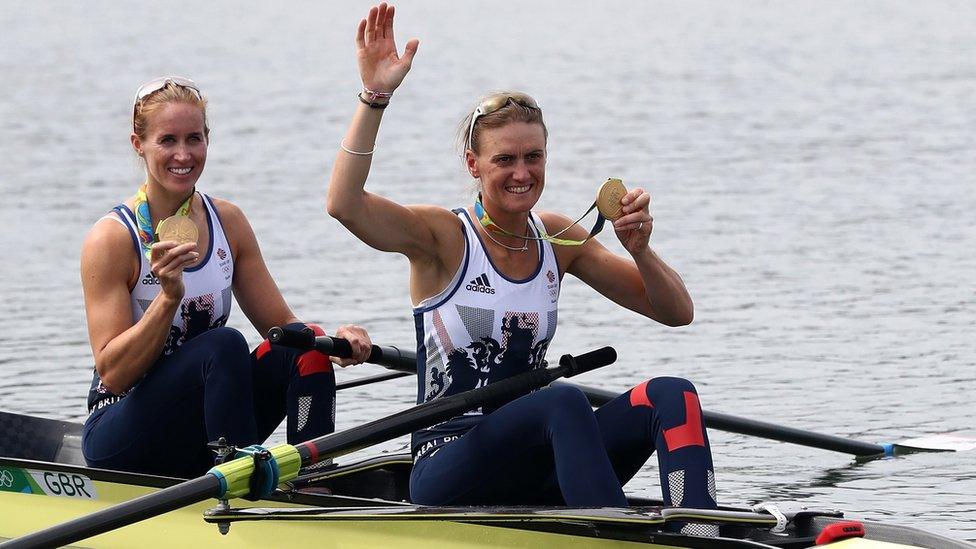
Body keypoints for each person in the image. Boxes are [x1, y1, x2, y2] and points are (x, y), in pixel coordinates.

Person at [327, 2, 718, 530]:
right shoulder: (443, 236)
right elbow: (344, 204)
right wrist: (375, 98)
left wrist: (641, 250)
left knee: (671, 393)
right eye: (504, 159)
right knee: (562, 402)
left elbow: (677, 312)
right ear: (474, 164)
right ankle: (610, 534)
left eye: (532, 157)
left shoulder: (558, 238)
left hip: (540, 453)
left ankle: (699, 527)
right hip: (449, 462)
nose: (521, 173)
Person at [81, 76, 372, 478]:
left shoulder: (228, 222)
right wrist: (167, 299)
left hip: (203, 428)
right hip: (121, 432)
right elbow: (113, 375)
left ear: (207, 139)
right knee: (224, 344)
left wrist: (339, 342)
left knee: (306, 345)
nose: (183, 154)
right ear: (139, 144)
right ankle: (239, 481)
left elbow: (283, 328)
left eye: (194, 139)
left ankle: (313, 482)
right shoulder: (112, 238)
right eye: (167, 140)